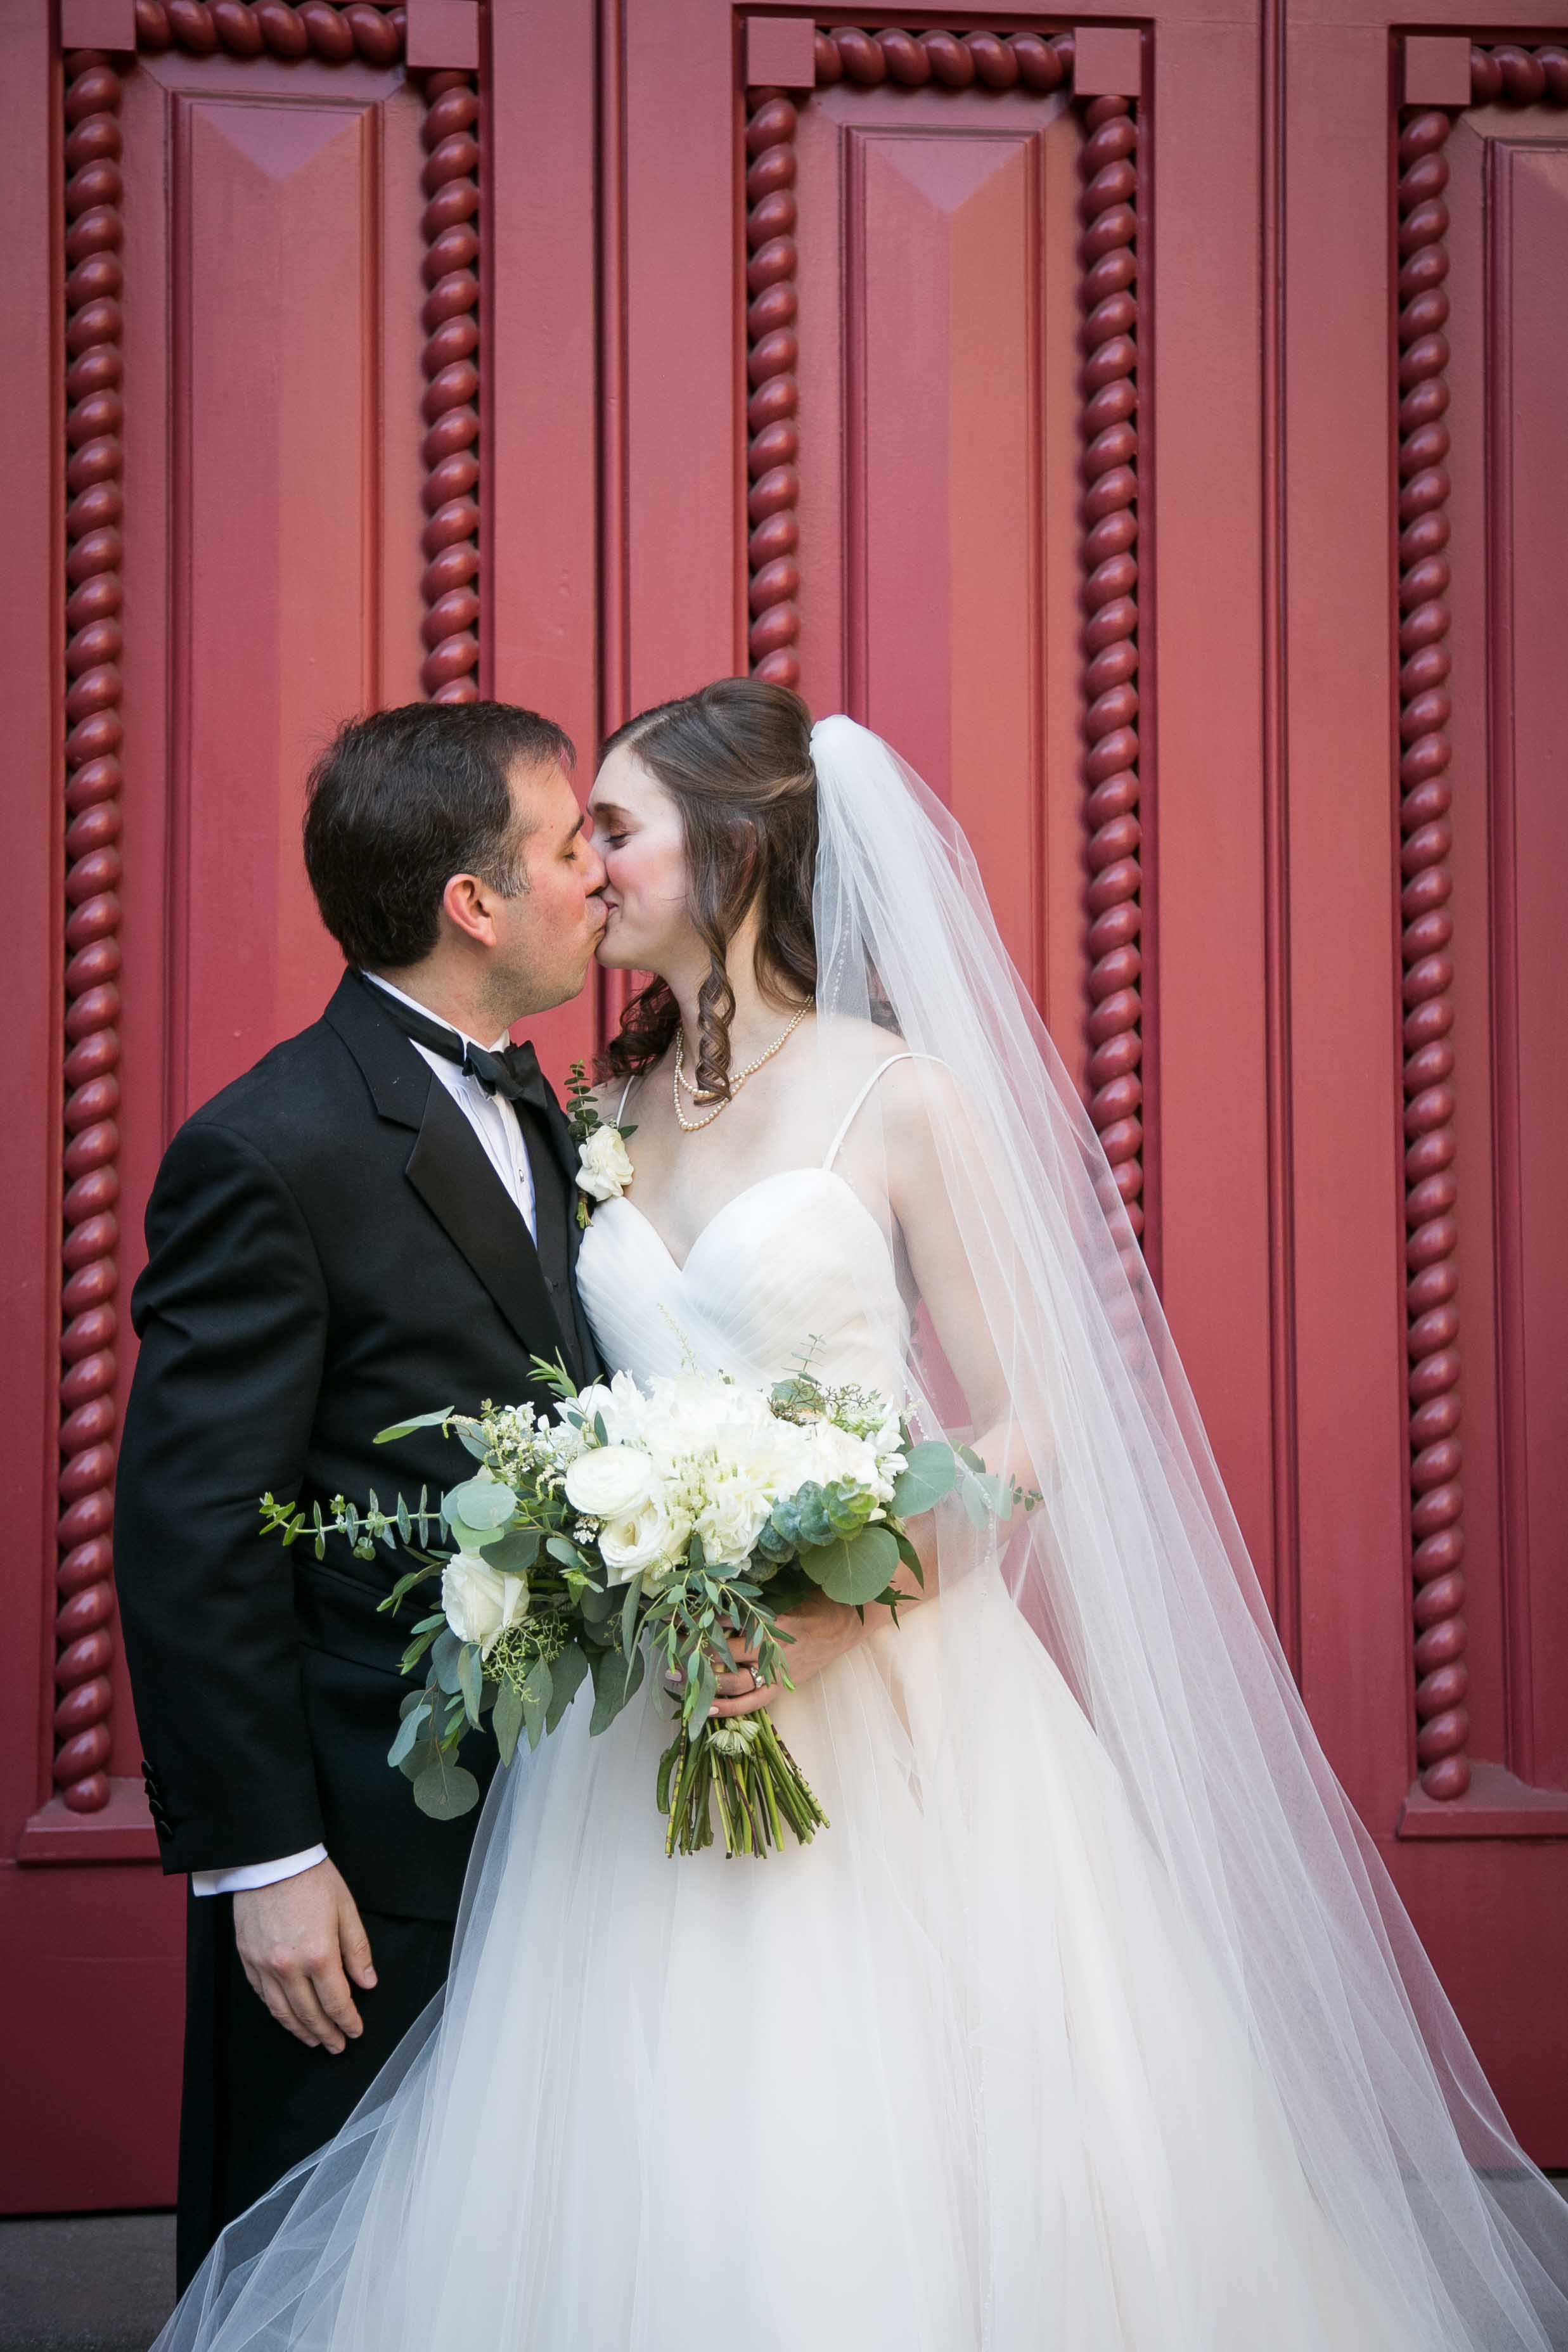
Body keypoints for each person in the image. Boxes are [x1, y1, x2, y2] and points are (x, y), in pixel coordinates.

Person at [152, 682, 1568, 2351]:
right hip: (640, 1731)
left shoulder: (896, 1098)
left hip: (892, 1696)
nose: (591, 866)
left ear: (735, 852)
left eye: (617, 829)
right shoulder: (590, 1116)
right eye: (573, 837)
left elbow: (1035, 1426)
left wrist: (843, 1605)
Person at [114, 700, 607, 2291]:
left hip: (559, 1820)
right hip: (363, 1848)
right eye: (568, 844)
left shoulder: (546, 1105)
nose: (598, 872)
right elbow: (194, 1534)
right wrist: (265, 1861)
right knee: (328, 2271)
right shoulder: (270, 1147)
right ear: (476, 903)